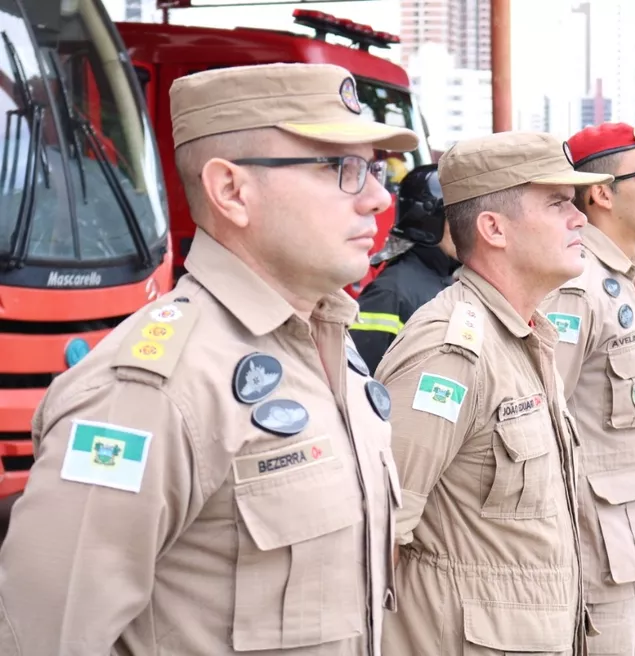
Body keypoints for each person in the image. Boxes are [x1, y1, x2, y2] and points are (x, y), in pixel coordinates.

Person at [0, 62, 418, 654]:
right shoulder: (152, 391)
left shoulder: (327, 337)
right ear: (231, 191)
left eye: (376, 168)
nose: (378, 198)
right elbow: (43, 636)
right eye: (341, 167)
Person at [374, 131, 613, 656]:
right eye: (557, 204)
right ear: (493, 228)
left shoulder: (528, 337)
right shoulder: (451, 350)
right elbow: (379, 534)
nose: (580, 219)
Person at [539, 121, 635, 655]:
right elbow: (548, 418)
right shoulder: (578, 286)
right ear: (600, 193)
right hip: (599, 552)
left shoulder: (627, 277)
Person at [351, 163, 460, 373]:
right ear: (430, 221)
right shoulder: (390, 294)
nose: (469, 227)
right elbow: (360, 382)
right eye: (458, 218)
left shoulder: (445, 281)